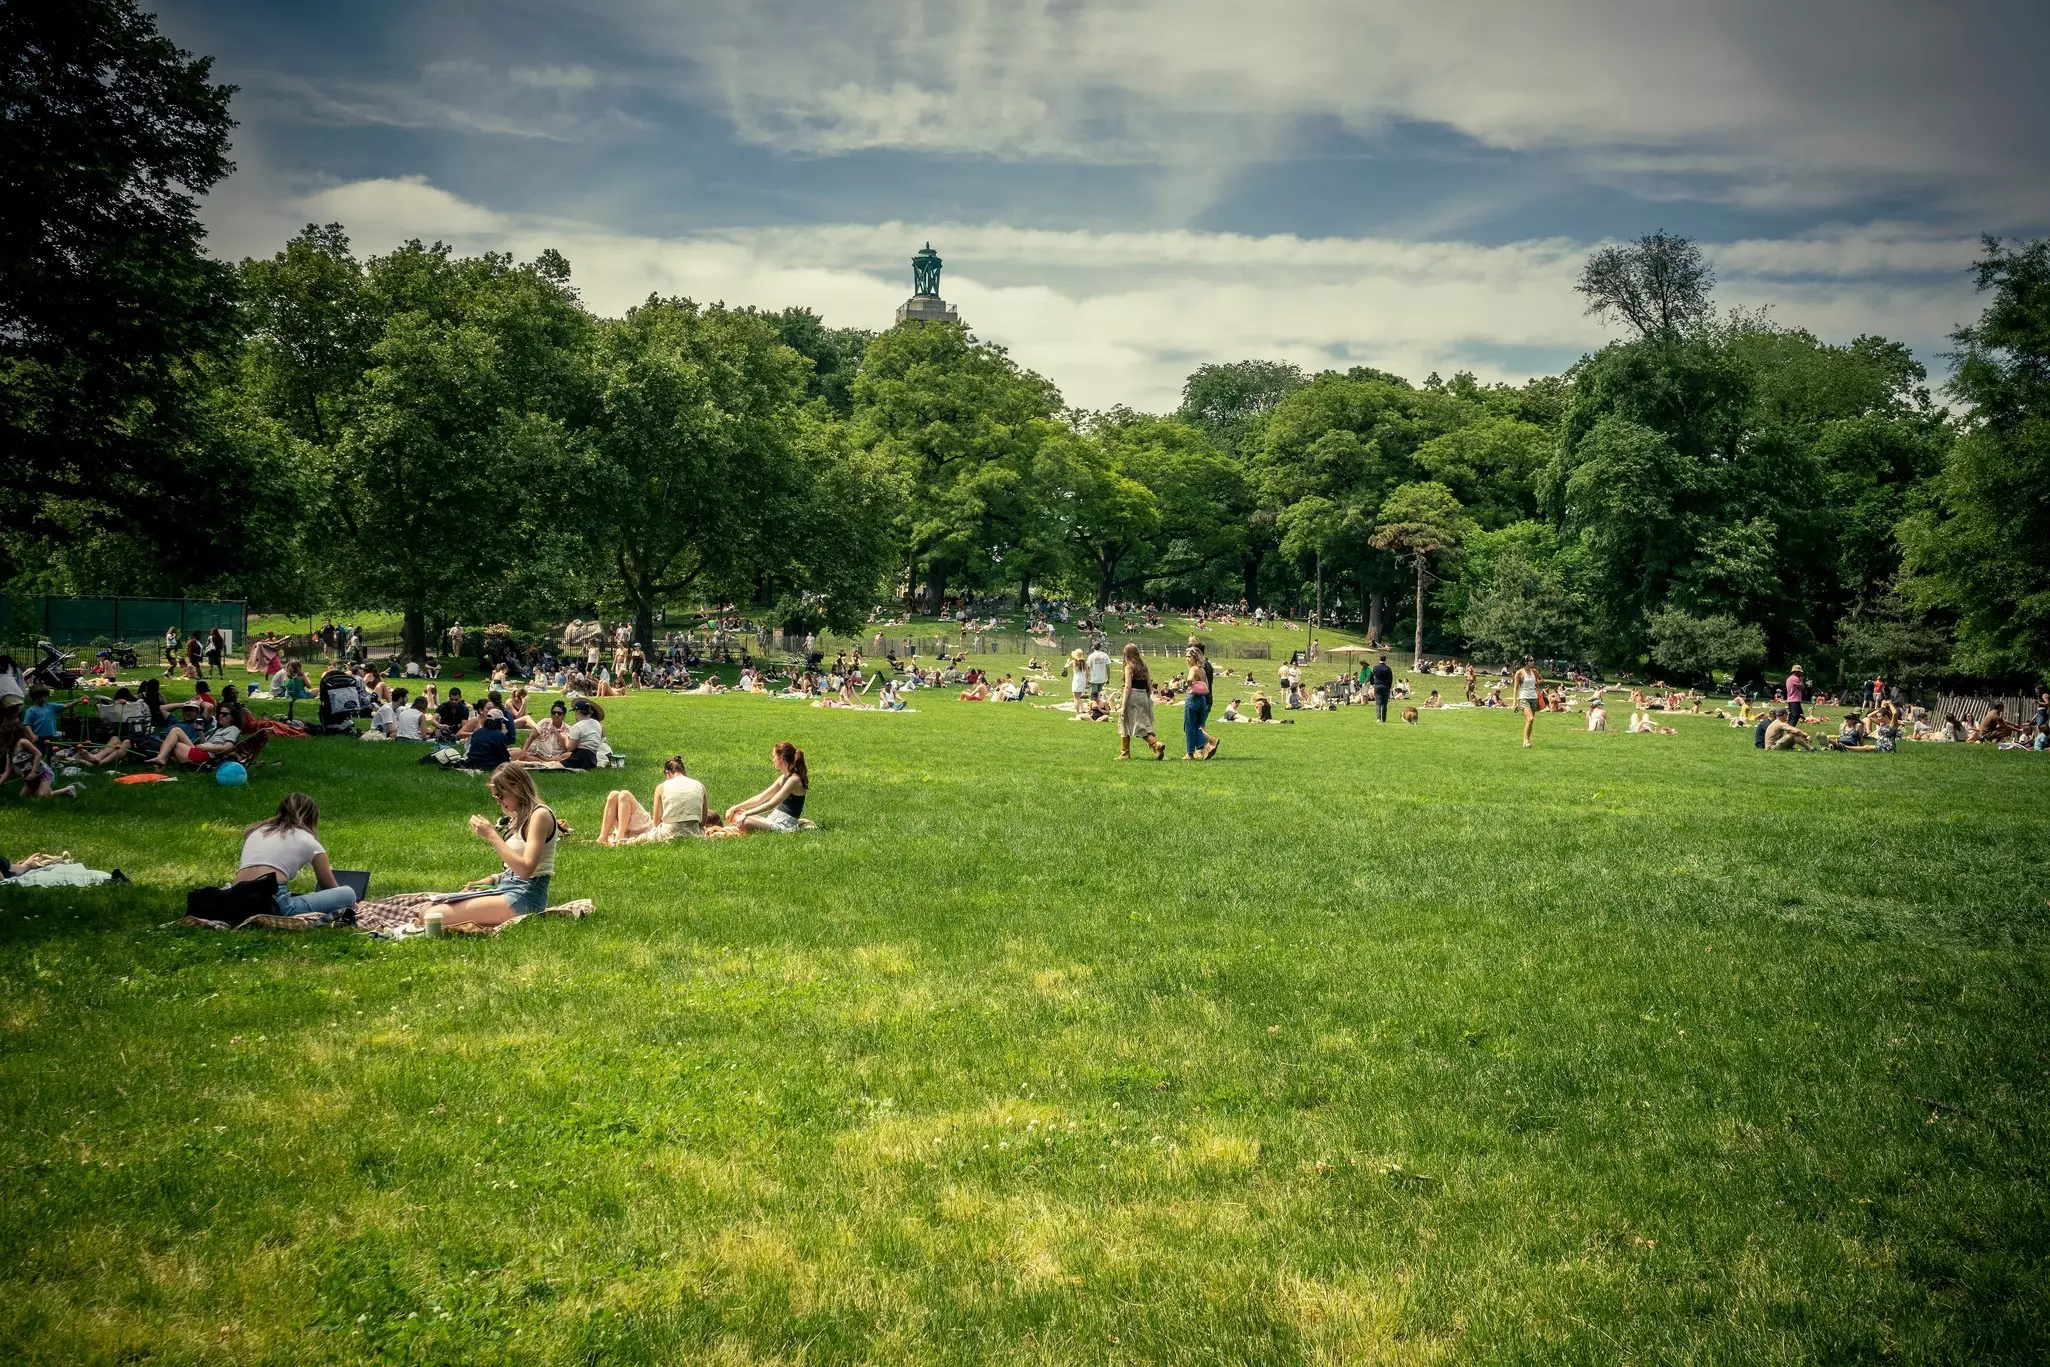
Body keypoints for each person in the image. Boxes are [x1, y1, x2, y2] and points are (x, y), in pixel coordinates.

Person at [436, 764, 563, 929]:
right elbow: (517, 868)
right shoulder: (519, 817)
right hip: (509, 889)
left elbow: (526, 871)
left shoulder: (540, 815)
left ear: (516, 787)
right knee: (431, 906)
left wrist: (491, 835)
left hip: (524, 898)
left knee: (432, 914)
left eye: (500, 796)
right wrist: (493, 879)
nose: (499, 802)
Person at [233, 793, 358, 921]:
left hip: (235, 899)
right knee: (348, 894)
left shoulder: (258, 831)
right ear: (312, 817)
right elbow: (329, 887)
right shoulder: (308, 840)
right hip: (272, 904)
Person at [597, 755, 710, 845]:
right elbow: (702, 821)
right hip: (694, 833)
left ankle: (612, 838)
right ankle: (615, 837)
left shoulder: (662, 787)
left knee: (620, 795)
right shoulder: (700, 786)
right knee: (619, 795)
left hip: (668, 832)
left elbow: (656, 822)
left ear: (667, 773)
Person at [722, 741, 809, 832]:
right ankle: (743, 823)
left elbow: (770, 805)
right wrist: (735, 807)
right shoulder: (783, 778)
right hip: (773, 819)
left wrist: (746, 814)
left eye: (773, 756)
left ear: (781, 758)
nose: (772, 760)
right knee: (736, 813)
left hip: (785, 825)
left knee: (745, 822)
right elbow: (760, 798)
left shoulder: (794, 780)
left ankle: (743, 826)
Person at [2, 722, 78, 798]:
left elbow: (38, 754)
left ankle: (68, 789)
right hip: (30, 779)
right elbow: (7, 771)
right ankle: (42, 789)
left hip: (42, 772)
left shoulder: (22, 742)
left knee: (42, 796)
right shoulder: (10, 752)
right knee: (23, 797)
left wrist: (33, 771)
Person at [1117, 644, 1165, 760]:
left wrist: (1123, 706)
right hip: (1144, 695)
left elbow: (1128, 686)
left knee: (1129, 722)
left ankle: (1154, 744)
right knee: (1144, 723)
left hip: (1133, 696)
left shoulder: (1129, 667)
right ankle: (1154, 749)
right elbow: (1149, 684)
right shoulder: (1144, 666)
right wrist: (1147, 697)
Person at [1182, 644, 1216, 760]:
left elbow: (1190, 679)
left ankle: (1191, 752)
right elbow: (1206, 684)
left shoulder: (1193, 669)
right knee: (1199, 726)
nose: (1187, 659)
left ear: (1195, 657)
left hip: (1193, 698)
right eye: (1186, 656)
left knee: (1189, 726)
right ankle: (1207, 745)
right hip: (1202, 699)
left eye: (1189, 657)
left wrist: (1189, 683)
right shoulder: (1202, 669)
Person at [561, 698, 610, 769]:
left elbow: (570, 748)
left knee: (561, 761)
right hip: (593, 756)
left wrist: (566, 737)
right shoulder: (597, 724)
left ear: (578, 711)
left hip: (585, 754)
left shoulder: (579, 726)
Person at [1513, 656, 1542, 747]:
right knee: (1530, 718)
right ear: (1526, 662)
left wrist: (1536, 683)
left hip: (1534, 698)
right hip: (1524, 698)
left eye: (1533, 660)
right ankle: (1525, 741)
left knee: (1530, 721)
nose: (1533, 662)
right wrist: (1514, 703)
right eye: (1531, 660)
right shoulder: (1519, 673)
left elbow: (1541, 679)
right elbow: (1515, 689)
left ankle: (1528, 740)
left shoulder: (1534, 671)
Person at [1370, 653, 1394, 722]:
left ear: (1379, 659)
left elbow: (1372, 676)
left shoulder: (1375, 667)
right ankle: (1383, 719)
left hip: (1377, 686)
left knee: (1378, 702)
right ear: (1385, 660)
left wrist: (1372, 683)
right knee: (1384, 703)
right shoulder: (1388, 668)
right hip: (1386, 687)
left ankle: (1378, 718)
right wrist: (1389, 686)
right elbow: (1390, 679)